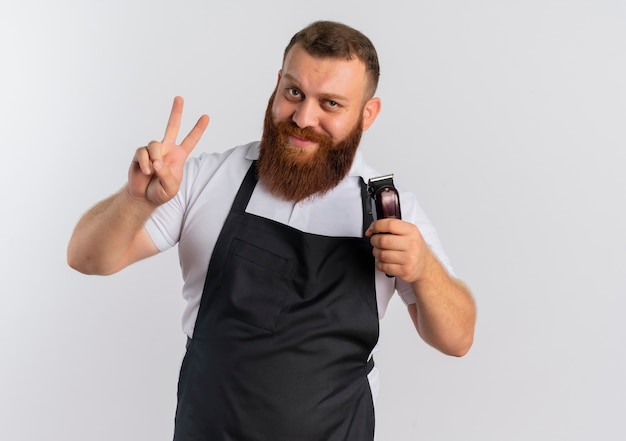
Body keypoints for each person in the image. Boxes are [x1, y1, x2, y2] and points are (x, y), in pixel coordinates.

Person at [67, 20, 476, 441]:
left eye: (330, 104)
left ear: (366, 114)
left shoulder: (389, 209)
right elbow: (86, 257)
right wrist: (138, 200)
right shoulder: (206, 179)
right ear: (277, 83)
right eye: (294, 92)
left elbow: (458, 339)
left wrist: (424, 269)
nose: (303, 117)